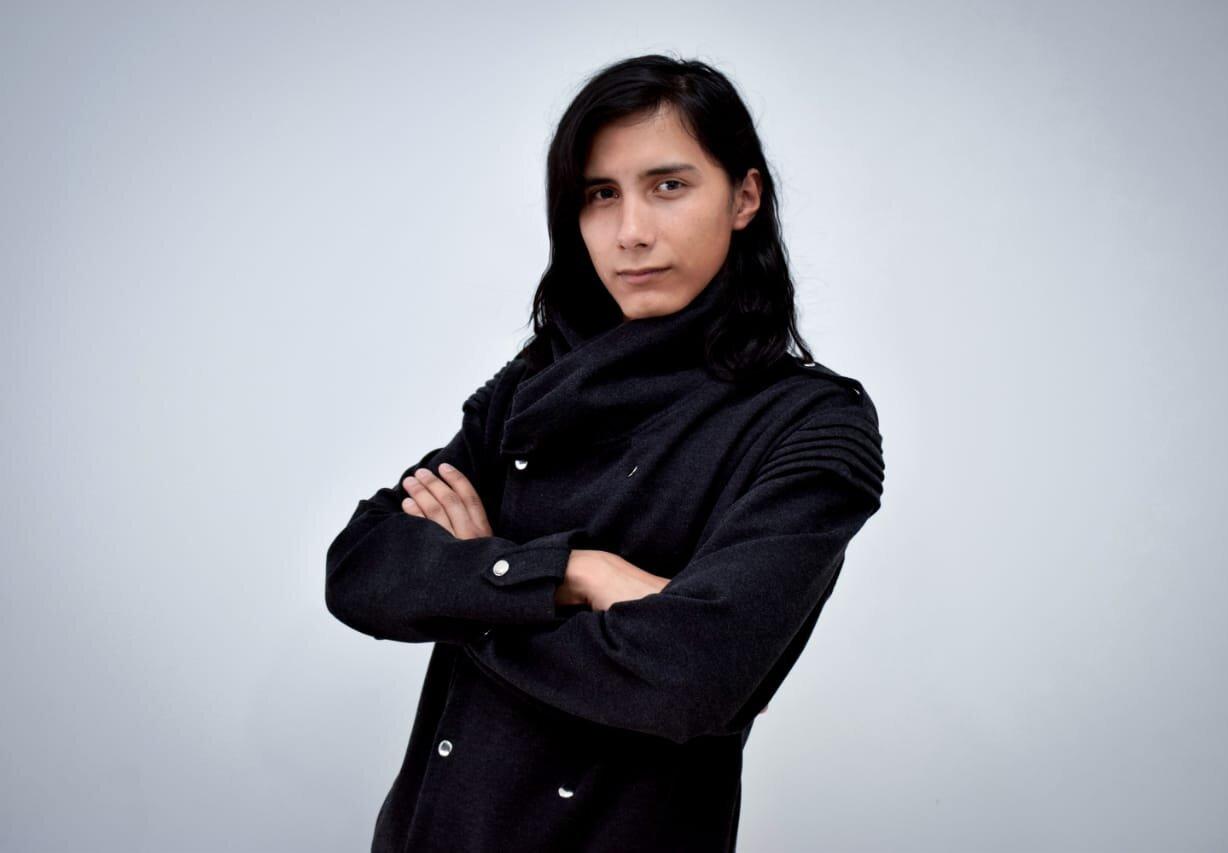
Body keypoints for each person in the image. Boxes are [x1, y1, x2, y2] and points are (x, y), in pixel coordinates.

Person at [325, 53, 886, 853]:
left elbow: (692, 677)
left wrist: (474, 581)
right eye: (600, 195)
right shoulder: (534, 382)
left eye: (668, 185)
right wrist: (577, 574)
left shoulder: (811, 422)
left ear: (744, 197)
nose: (631, 233)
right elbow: (360, 567)